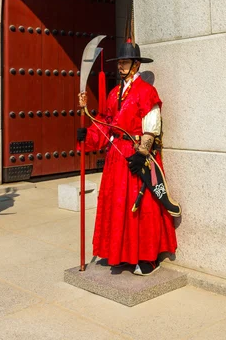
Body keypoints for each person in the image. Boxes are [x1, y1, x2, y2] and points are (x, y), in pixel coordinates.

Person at [78, 41, 177, 276]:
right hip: (116, 157)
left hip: (136, 155)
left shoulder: (145, 91)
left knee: (142, 206)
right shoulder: (114, 94)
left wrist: (142, 153)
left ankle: (148, 257)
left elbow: (152, 125)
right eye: (119, 62)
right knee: (118, 205)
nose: (120, 66)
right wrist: (87, 134)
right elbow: (105, 124)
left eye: (124, 62)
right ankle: (122, 254)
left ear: (135, 64)